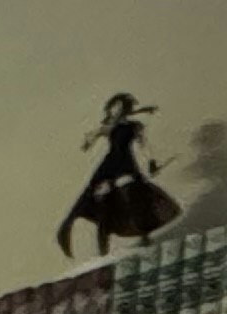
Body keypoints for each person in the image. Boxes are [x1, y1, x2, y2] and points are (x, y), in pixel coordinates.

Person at [61, 94, 180, 258]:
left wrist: (152, 163)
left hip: (126, 165)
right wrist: (88, 141)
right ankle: (103, 248)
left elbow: (144, 145)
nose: (115, 110)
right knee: (102, 203)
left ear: (124, 108)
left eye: (119, 107)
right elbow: (93, 135)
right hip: (108, 167)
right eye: (113, 107)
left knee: (137, 197)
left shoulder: (134, 126)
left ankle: (143, 235)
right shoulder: (110, 127)